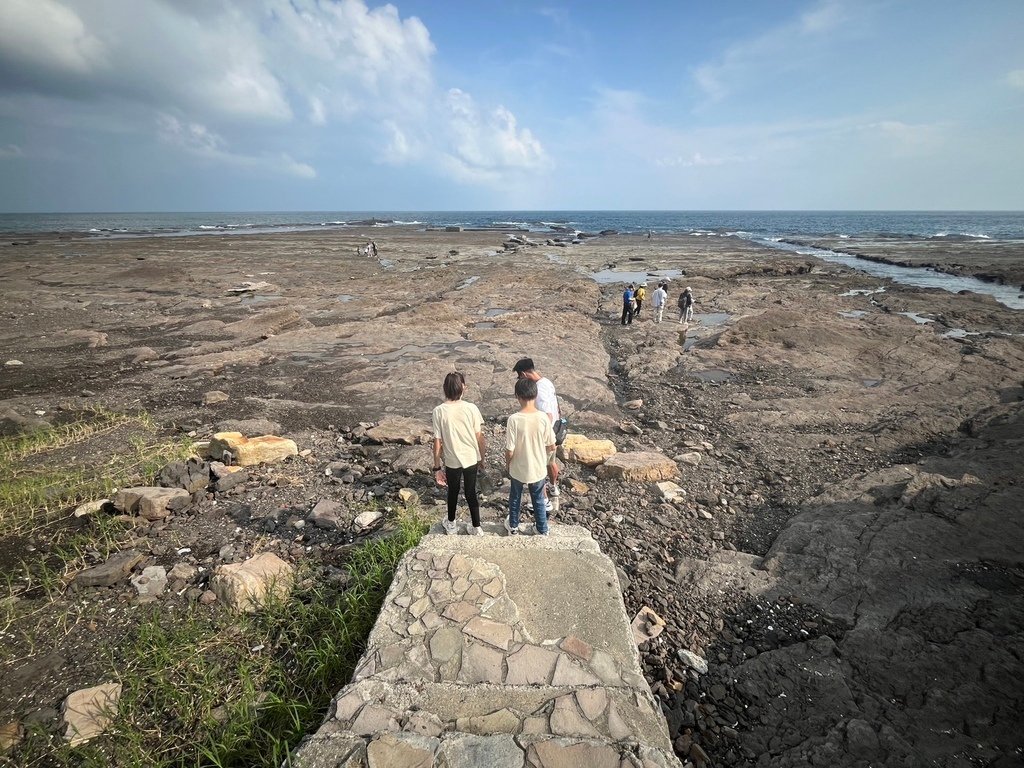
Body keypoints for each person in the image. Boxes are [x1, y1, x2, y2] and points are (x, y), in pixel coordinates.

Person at [431, 372, 486, 535]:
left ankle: (452, 525)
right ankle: (477, 527)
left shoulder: (439, 411)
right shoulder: (471, 408)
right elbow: (480, 437)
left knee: (453, 492)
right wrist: (482, 458)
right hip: (471, 458)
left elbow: (437, 442)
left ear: (444, 389)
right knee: (471, 492)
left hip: (452, 460)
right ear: (463, 388)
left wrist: (437, 468)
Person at [504, 377, 555, 536]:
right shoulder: (543, 418)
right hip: (538, 467)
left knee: (515, 498)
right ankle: (542, 529)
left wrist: (508, 463)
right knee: (539, 499)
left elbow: (509, 449)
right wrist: (546, 460)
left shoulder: (514, 419)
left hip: (518, 467)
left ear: (517, 396)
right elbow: (551, 445)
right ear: (535, 395)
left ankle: (513, 527)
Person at [511, 357, 563, 509]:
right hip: (554, 431)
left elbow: (548, 415)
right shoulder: (547, 382)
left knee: (538, 468)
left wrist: (539, 435)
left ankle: (544, 501)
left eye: (519, 377)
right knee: (551, 462)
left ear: (524, 374)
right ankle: (553, 487)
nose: (520, 381)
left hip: (545, 434)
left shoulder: (538, 390)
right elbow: (556, 408)